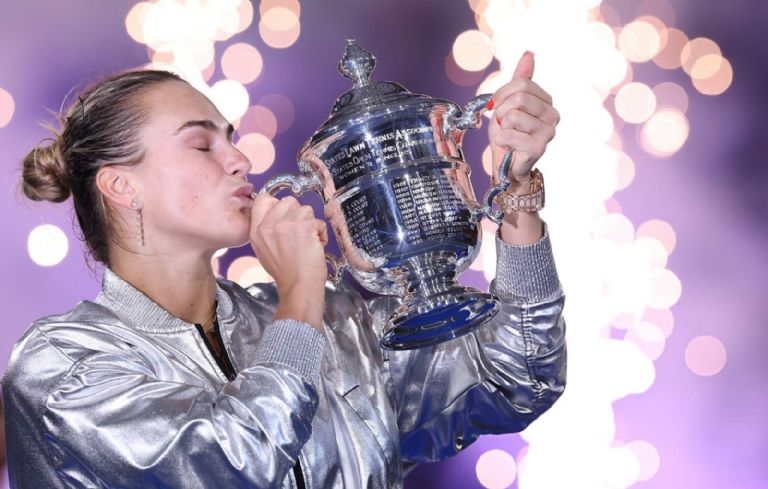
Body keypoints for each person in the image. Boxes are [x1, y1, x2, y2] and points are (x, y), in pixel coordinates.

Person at [2, 50, 566, 488]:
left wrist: (515, 188)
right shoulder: (61, 365)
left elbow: (516, 378)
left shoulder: (332, 318)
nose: (240, 159)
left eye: (231, 139)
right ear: (121, 185)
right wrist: (300, 291)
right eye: (201, 145)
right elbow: (235, 462)